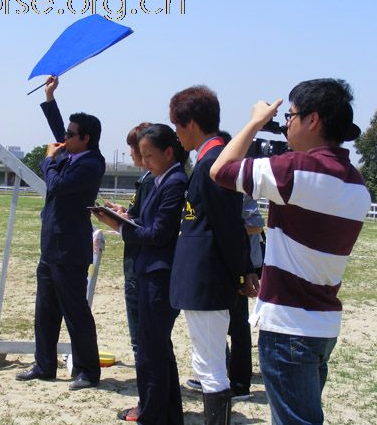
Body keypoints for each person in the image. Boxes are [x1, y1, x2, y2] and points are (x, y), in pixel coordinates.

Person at [210, 78, 372, 424]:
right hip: (323, 324)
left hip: (288, 327)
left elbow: (220, 170)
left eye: (291, 116)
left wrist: (254, 122)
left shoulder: (296, 170)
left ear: (313, 120)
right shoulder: (357, 185)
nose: (286, 124)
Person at [169, 86, 256, 425]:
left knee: (210, 366)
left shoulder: (213, 162)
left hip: (208, 279)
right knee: (208, 363)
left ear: (191, 123)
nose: (176, 134)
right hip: (202, 278)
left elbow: (229, 226)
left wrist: (241, 272)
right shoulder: (209, 159)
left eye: (176, 125)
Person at [94, 124, 188, 424]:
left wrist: (120, 226)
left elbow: (159, 234)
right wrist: (125, 220)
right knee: (157, 348)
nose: (144, 161)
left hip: (159, 274)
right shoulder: (162, 179)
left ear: (168, 152)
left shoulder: (174, 181)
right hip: (152, 271)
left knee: (151, 350)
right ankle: (167, 412)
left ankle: (154, 413)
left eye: (148, 155)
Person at [16, 76, 105, 391]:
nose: (63, 138)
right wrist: (49, 97)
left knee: (75, 312)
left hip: (70, 250)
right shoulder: (72, 152)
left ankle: (87, 371)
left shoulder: (91, 163)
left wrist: (48, 161)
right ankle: (44, 365)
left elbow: (56, 185)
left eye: (70, 134)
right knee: (46, 309)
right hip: (51, 246)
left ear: (86, 139)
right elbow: (58, 131)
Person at [186, 131, 264, 401]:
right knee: (221, 328)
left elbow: (255, 225)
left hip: (240, 264)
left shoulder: (237, 185)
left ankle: (240, 382)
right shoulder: (210, 172)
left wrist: (243, 266)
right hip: (229, 262)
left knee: (238, 327)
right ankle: (226, 374)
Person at [105, 123, 155, 363]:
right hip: (139, 259)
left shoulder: (150, 180)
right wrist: (124, 212)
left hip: (139, 261)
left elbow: (148, 224)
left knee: (141, 331)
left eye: (133, 148)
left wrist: (124, 221)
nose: (133, 154)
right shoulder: (150, 178)